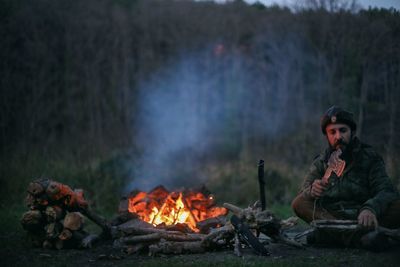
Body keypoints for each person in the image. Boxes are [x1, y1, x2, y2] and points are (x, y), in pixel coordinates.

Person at [291, 106, 400, 234]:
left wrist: (370, 208)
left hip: (364, 217)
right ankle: (351, 235)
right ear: (327, 136)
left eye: (343, 130)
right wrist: (311, 191)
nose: (338, 137)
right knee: (299, 203)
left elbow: (386, 191)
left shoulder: (370, 158)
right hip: (332, 218)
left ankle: (336, 236)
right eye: (332, 132)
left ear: (352, 132)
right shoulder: (321, 163)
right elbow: (302, 195)